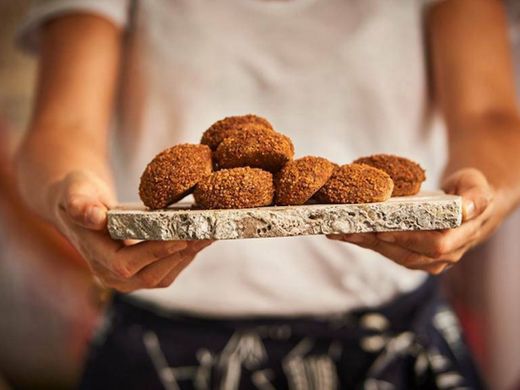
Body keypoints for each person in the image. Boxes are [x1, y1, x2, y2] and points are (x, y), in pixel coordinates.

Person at [15, 0, 520, 388]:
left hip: (392, 339)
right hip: (163, 339)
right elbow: (62, 126)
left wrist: (483, 194)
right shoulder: (222, 157)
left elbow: (492, 118)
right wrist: (71, 192)